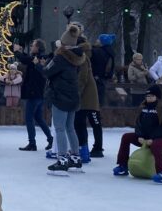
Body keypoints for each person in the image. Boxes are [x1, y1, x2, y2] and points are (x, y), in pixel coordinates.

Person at [43, 24, 83, 175]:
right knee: (70, 128)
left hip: (60, 96)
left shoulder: (60, 58)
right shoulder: (78, 58)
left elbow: (47, 72)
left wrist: (46, 62)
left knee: (59, 128)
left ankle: (62, 159)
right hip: (73, 96)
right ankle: (75, 158)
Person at [113, 86, 162, 183]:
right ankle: (123, 165)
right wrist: (140, 135)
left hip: (160, 139)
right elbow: (138, 124)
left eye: (151, 96)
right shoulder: (143, 107)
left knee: (155, 146)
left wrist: (153, 139)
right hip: (144, 138)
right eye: (147, 96)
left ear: (157, 96)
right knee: (126, 137)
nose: (149, 98)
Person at [13, 40, 53, 151]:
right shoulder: (40, 58)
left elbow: (25, 60)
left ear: (38, 47)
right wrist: (21, 52)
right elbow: (27, 59)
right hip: (39, 94)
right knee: (38, 118)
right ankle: (50, 139)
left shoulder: (37, 59)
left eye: (33, 45)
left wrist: (17, 51)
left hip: (34, 93)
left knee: (29, 118)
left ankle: (32, 143)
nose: (31, 46)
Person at [72, 30, 103, 160]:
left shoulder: (83, 57)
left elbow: (83, 77)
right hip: (90, 93)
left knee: (82, 121)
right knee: (92, 122)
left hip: (87, 95)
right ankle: (94, 147)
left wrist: (77, 92)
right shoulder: (88, 53)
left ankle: (91, 148)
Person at [91, 33, 116, 106]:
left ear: (102, 42)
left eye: (98, 39)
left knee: (94, 103)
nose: (96, 40)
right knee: (100, 102)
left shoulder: (98, 52)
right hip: (104, 80)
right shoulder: (110, 52)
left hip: (96, 79)